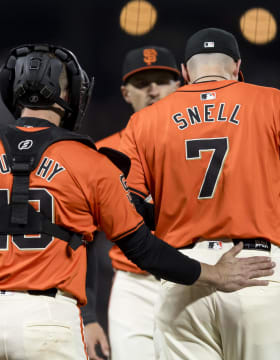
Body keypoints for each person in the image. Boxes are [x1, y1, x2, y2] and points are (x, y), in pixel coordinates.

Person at [0, 43, 273, 360]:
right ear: (70, 95)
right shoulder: (91, 162)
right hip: (51, 319)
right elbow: (142, 248)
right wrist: (211, 272)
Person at [120, 28, 280, 360]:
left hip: (185, 273)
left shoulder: (144, 121)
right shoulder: (272, 102)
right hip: (261, 270)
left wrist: (169, 212)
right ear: (237, 66)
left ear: (184, 72)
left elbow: (128, 208)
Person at [84, 45, 181, 360]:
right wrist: (87, 316)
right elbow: (80, 238)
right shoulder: (101, 155)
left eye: (163, 80)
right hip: (134, 285)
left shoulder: (205, 143)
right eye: (142, 83)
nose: (153, 89)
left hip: (198, 275)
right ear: (126, 93)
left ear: (181, 85)